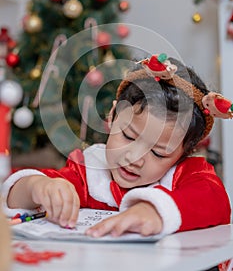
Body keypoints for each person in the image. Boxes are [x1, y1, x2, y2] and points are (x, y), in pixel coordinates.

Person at [2, 53, 232, 238]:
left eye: (158, 153)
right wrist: (35, 187)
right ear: (112, 116)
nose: (135, 157)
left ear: (183, 154)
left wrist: (155, 212)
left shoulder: (186, 174)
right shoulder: (89, 172)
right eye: (129, 137)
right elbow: (21, 194)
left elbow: (216, 200)